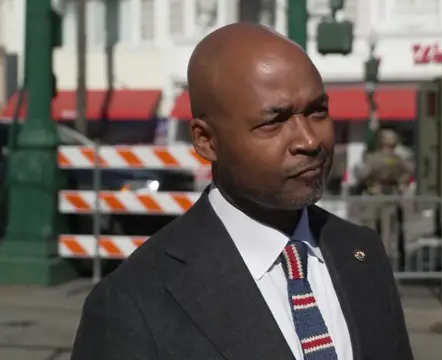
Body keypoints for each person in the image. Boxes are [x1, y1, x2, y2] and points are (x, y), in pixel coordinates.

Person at [70, 23, 413, 360]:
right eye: (273, 122)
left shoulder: (362, 254)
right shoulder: (132, 302)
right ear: (206, 141)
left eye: (317, 111)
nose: (309, 140)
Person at [355, 129, 414, 195]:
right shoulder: (399, 159)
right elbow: (412, 170)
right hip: (395, 196)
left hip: (376, 196)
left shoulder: (372, 159)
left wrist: (370, 184)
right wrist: (402, 181)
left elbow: (362, 175)